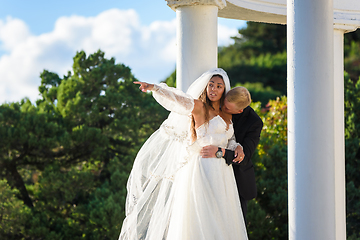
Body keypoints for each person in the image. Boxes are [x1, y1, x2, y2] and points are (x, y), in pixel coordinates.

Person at [119, 68, 250, 240]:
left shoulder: (227, 114)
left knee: (222, 216)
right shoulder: (199, 106)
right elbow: (178, 99)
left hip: (223, 173)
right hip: (204, 168)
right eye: (211, 85)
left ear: (224, 90)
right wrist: (155, 88)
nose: (213, 89)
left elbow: (228, 139)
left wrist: (238, 146)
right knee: (203, 214)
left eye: (219, 86)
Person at [200, 87, 263, 222]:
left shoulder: (254, 122)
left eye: (228, 109)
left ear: (239, 111)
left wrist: (219, 152)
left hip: (237, 180)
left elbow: (244, 157)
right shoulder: (218, 102)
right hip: (210, 173)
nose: (223, 108)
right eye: (224, 104)